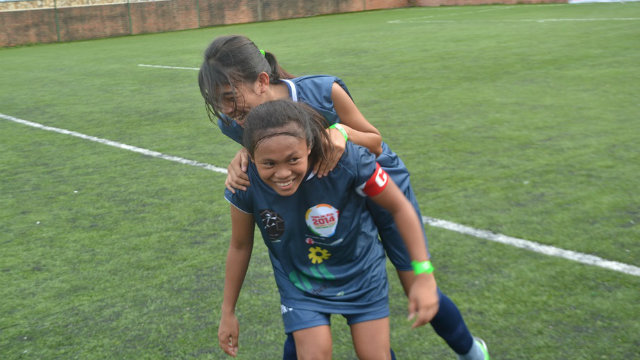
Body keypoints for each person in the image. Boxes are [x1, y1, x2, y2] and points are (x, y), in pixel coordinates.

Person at [199, 34, 489, 360]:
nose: (225, 110)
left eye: (229, 97)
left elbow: (375, 141)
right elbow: (265, 145)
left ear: (262, 81)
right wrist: (243, 157)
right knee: (308, 283)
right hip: (322, 186)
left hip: (374, 176)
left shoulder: (322, 92)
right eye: (216, 101)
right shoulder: (231, 121)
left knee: (415, 282)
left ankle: (472, 353)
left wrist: (342, 132)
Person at [219, 99, 436, 359]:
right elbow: (240, 245)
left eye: (293, 159)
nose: (283, 173)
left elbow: (400, 207)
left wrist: (424, 274)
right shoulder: (244, 182)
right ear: (249, 156)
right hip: (301, 284)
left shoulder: (349, 160)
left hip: (362, 275)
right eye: (269, 164)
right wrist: (228, 311)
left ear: (309, 146)